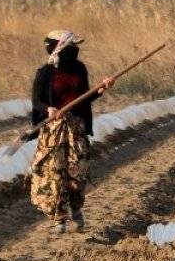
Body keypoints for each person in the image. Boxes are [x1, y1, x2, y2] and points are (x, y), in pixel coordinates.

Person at [29, 30, 115, 234]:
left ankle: (76, 210)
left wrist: (101, 89)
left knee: (77, 172)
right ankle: (59, 219)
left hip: (76, 128)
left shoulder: (79, 69)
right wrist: (49, 109)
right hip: (54, 131)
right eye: (71, 46)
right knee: (54, 174)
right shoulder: (45, 73)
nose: (75, 50)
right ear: (60, 48)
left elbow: (84, 98)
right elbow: (36, 101)